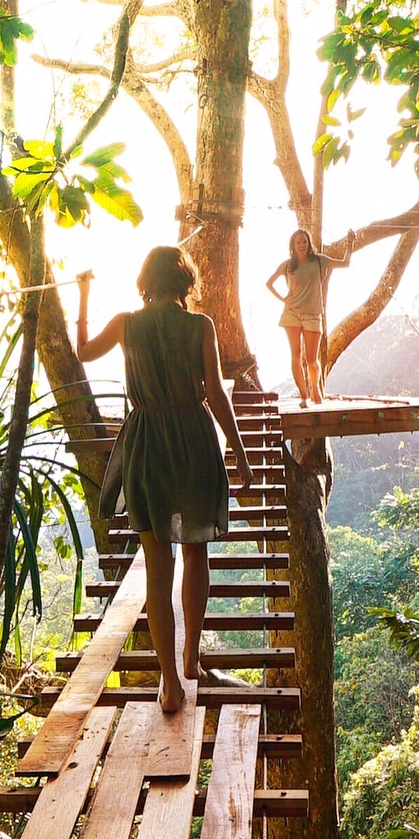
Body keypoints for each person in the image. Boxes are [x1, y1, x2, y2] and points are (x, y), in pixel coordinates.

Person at [76, 246, 253, 714]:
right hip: (193, 440)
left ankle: (171, 683)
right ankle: (192, 656)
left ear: (146, 280)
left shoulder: (125, 324)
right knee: (196, 550)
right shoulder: (200, 326)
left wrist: (83, 294)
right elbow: (215, 392)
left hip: (148, 443)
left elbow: (83, 351)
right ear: (186, 282)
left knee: (158, 565)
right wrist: (238, 453)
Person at [265, 227, 354, 405]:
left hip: (313, 315)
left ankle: (315, 391)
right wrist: (283, 299)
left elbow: (345, 263)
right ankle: (303, 395)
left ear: (308, 243)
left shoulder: (320, 261)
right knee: (296, 356)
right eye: (298, 242)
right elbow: (269, 283)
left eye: (304, 241)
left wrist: (350, 244)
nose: (302, 245)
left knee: (312, 361)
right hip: (292, 313)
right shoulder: (288, 265)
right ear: (292, 245)